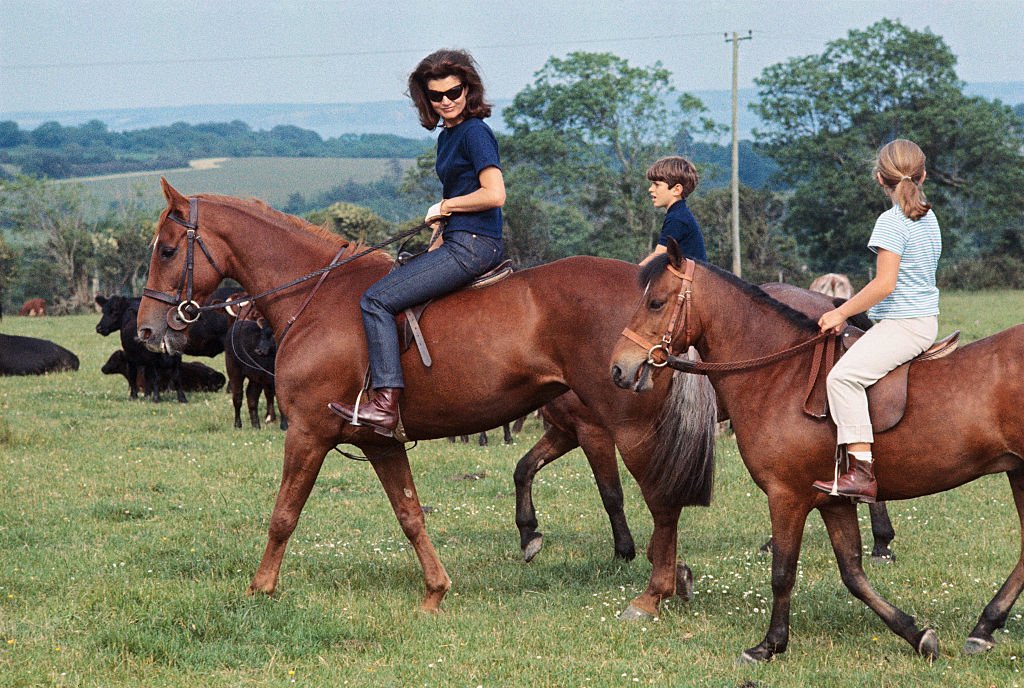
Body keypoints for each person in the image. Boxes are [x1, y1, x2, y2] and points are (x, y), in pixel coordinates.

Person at [328, 48, 506, 436]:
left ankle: (385, 404)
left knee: (375, 299)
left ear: (468, 90)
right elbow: (457, 199)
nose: (446, 102)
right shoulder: (448, 137)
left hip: (475, 244)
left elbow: (494, 194)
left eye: (454, 92)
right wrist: (439, 234)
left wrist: (445, 205)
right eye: (436, 96)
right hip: (459, 238)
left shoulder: (475, 132)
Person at [812, 139, 942, 502]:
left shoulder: (891, 221)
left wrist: (841, 311)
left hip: (904, 324)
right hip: (921, 318)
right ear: (924, 176)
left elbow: (885, 284)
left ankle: (861, 473)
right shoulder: (928, 214)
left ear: (878, 179)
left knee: (842, 378)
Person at [639, 156, 707, 266]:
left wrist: (633, 274)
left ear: (676, 189)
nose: (650, 189)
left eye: (656, 185)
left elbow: (658, 256)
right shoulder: (678, 213)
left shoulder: (677, 218)